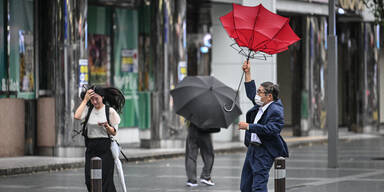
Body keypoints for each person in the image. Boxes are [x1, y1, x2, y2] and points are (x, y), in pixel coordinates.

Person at [238, 61, 289, 192]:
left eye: (260, 92)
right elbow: (251, 94)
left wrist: (249, 126)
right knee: (245, 186)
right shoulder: (261, 104)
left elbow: (272, 129)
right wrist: (248, 72)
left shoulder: (275, 110)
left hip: (264, 151)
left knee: (258, 186)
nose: (257, 95)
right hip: (252, 149)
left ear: (269, 96)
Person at [74, 85, 125, 192]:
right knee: (89, 180)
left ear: (102, 97)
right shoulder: (88, 110)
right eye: (92, 99)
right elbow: (77, 116)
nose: (94, 101)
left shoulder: (109, 111)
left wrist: (107, 126)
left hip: (105, 149)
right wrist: (85, 100)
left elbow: (114, 132)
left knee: (105, 182)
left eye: (96, 98)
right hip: (91, 148)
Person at [185, 121, 219, 187]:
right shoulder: (210, 110)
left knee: (191, 156)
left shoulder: (192, 110)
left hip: (192, 129)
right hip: (204, 130)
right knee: (208, 154)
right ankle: (206, 176)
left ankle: (192, 180)